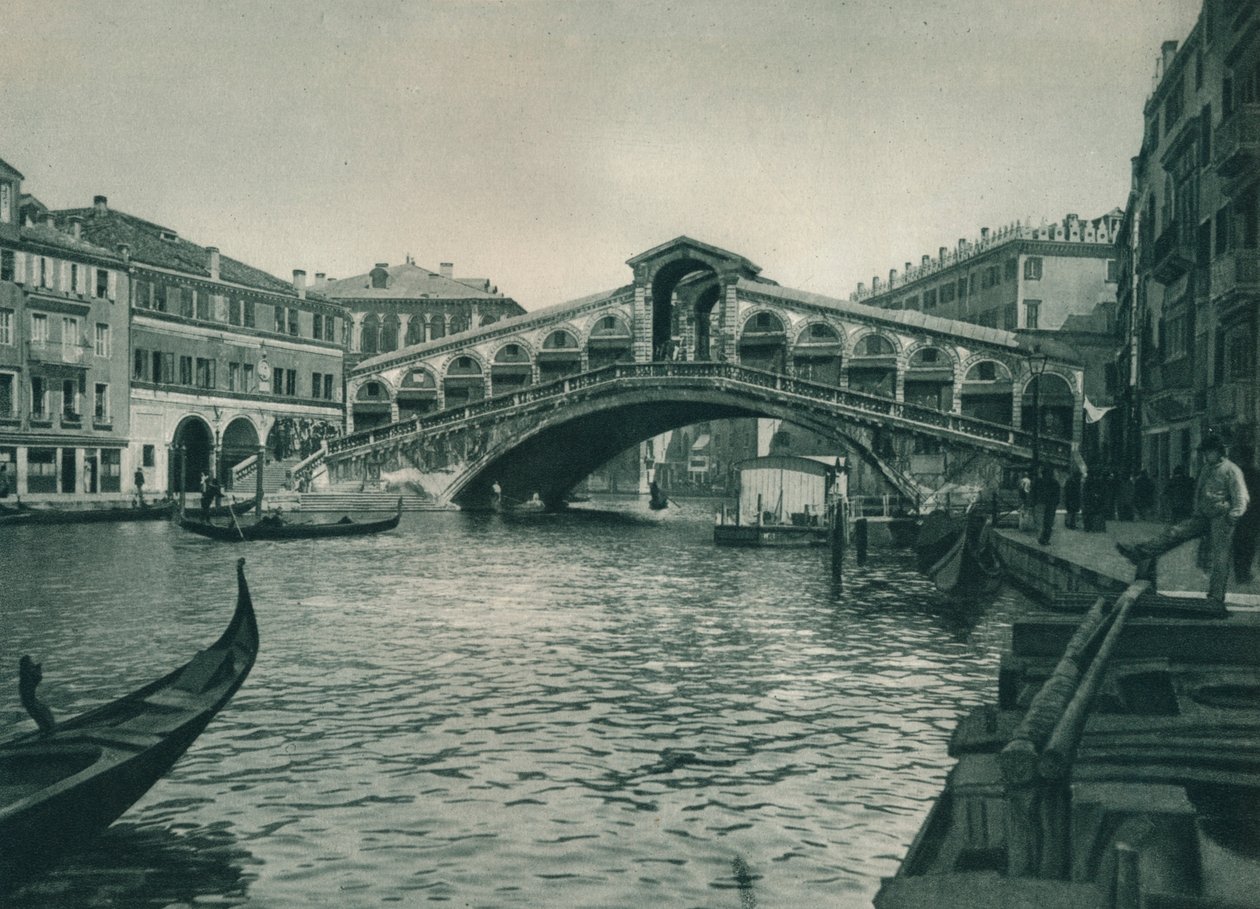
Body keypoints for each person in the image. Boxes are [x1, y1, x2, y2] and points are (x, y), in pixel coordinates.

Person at [1117, 432, 1249, 608]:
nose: (1205, 455)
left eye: (1208, 452)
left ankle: (1216, 596)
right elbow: (1198, 492)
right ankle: (1140, 552)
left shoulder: (1232, 470)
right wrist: (1196, 512)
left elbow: (1241, 496)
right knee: (1175, 532)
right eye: (1205, 452)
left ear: (1218, 452)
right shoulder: (1205, 469)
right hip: (1202, 516)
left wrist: (1234, 515)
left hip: (1221, 517)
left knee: (1220, 556)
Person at [1233, 445, 1259, 584]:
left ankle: (1239, 573)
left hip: (1238, 514)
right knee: (1249, 544)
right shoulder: (1256, 474)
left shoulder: (1236, 473)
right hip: (1252, 516)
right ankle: (1244, 572)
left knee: (1238, 543)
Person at [18, 655, 55, 734]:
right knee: (43, 716)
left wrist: (37, 669)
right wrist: (38, 669)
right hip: (30, 701)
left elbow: (36, 678)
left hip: (29, 700)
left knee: (44, 714)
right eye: (30, 662)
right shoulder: (27, 675)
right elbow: (37, 678)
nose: (32, 663)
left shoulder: (24, 674)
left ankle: (46, 729)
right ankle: (48, 731)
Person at [1033, 465, 1061, 546]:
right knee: (1048, 522)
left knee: (1041, 522)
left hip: (1041, 503)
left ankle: (1041, 538)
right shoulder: (1055, 483)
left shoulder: (1038, 481)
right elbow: (1057, 495)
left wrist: (1034, 502)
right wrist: (1055, 503)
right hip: (1050, 505)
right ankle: (1045, 538)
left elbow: (1034, 492)